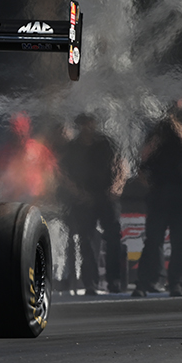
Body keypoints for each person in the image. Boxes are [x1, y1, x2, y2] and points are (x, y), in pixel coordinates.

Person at [58, 113, 126, 295]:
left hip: (106, 195)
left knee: (113, 238)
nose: (87, 127)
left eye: (90, 123)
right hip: (84, 198)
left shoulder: (106, 143)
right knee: (85, 240)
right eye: (83, 123)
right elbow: (62, 172)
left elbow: (121, 164)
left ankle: (114, 281)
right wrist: (77, 192)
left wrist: (117, 186)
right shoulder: (72, 147)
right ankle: (90, 283)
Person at [133, 99, 182, 297]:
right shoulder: (156, 135)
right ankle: (145, 283)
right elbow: (143, 158)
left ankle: (175, 282)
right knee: (153, 240)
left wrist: (177, 128)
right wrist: (148, 184)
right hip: (160, 191)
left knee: (181, 242)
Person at [0, 112, 58, 203]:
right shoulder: (1, 155)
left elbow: (51, 174)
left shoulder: (39, 150)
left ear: (28, 130)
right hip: (10, 202)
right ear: (11, 133)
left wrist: (48, 195)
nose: (20, 136)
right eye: (16, 132)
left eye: (22, 131)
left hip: (36, 201)